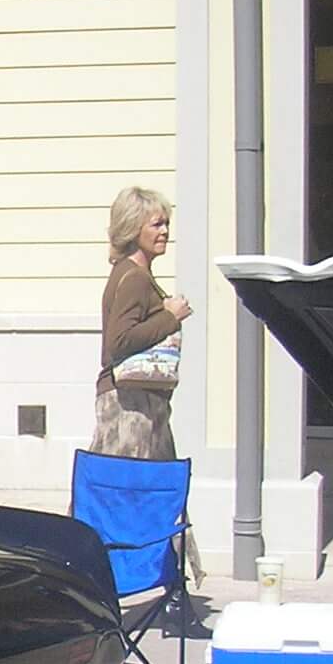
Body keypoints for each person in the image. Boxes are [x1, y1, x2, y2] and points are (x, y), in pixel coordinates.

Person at [91, 185, 190, 461]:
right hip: (130, 404)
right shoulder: (134, 277)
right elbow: (119, 342)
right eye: (157, 224)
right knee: (130, 489)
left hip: (141, 401)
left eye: (166, 224)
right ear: (134, 228)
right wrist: (170, 317)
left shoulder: (132, 273)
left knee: (146, 490)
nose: (165, 232)